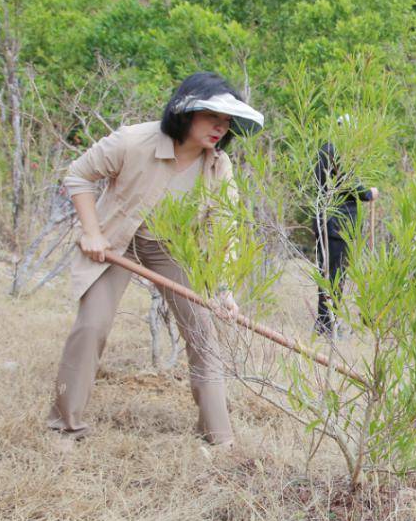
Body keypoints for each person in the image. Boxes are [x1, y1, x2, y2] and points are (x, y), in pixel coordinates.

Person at [47, 72, 264, 446]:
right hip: (118, 241)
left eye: (226, 121)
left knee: (203, 333)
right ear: (186, 111)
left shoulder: (218, 166)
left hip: (172, 249)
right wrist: (92, 232)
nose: (219, 127)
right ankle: (64, 427)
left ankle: (219, 437)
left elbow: (222, 225)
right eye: (212, 116)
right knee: (92, 326)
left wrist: (223, 286)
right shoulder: (135, 140)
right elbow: (78, 175)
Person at [312, 116, 379, 337]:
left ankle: (327, 321)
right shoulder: (335, 151)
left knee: (333, 275)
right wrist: (368, 193)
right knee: (333, 275)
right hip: (335, 224)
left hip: (333, 223)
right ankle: (325, 324)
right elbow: (348, 183)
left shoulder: (331, 150)